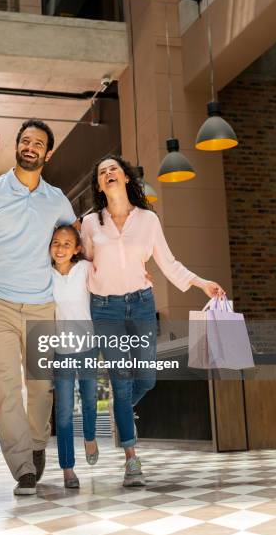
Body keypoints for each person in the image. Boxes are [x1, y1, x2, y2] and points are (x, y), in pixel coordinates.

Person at [81, 154, 225, 487]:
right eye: (102, 172)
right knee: (121, 380)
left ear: (127, 177)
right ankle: (132, 460)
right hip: (105, 310)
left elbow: (169, 262)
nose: (108, 174)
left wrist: (202, 282)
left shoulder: (148, 220)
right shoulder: (90, 224)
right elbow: (82, 266)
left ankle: (119, 411)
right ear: (99, 185)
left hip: (141, 305)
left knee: (146, 379)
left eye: (113, 169)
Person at [0, 119, 77, 496]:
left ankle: (38, 443)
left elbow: (73, 245)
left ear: (47, 153)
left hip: (42, 306)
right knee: (8, 388)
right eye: (25, 141)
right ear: (17, 146)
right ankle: (22, 466)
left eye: (38, 143)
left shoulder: (57, 199)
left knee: (41, 388)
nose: (30, 147)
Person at [50, 225, 99, 488]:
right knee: (65, 411)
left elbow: (110, 278)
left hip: (89, 346)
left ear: (77, 249)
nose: (60, 248)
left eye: (67, 243)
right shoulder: (44, 275)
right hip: (62, 351)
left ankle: (90, 436)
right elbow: (19, 282)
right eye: (56, 243)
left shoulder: (85, 269)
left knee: (90, 400)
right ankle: (68, 468)